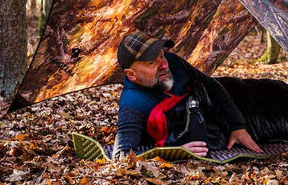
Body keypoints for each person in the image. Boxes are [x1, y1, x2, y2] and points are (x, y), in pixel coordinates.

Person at [113, 31, 263, 160]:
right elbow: (122, 155)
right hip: (214, 131)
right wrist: (174, 153)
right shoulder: (133, 102)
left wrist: (237, 126)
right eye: (152, 62)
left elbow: (212, 85)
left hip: (234, 100)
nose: (164, 65)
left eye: (162, 55)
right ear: (132, 75)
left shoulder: (174, 62)